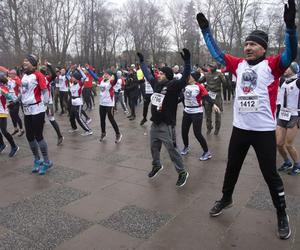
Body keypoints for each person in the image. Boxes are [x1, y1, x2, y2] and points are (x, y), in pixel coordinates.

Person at [196, 0, 297, 240]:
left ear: (263, 48)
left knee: (270, 174)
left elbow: (291, 53)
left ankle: (282, 213)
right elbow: (217, 53)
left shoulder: (273, 66)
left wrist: (290, 28)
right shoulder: (238, 65)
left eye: (253, 44)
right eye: (246, 43)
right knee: (232, 168)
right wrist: (206, 31)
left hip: (263, 132)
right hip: (240, 129)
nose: (248, 47)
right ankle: (227, 198)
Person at [137, 48, 191, 187]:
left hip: (167, 125)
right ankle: (156, 165)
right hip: (155, 123)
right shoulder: (156, 84)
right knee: (153, 148)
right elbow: (147, 74)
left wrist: (187, 61)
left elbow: (185, 78)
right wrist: (142, 62)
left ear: (167, 75)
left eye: (161, 73)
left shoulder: (173, 85)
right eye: (159, 72)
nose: (158, 74)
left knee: (172, 150)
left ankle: (182, 172)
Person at [21, 54, 53, 175]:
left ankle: (47, 161)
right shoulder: (24, 76)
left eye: (27, 61)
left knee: (38, 136)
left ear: (33, 64)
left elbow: (45, 91)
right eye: (24, 61)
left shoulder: (38, 75)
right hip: (26, 110)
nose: (24, 63)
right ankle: (37, 159)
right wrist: (17, 100)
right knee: (29, 136)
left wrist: (46, 105)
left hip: (37, 109)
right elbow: (24, 92)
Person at [180, 71, 220, 160]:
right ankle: (186, 147)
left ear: (194, 78)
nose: (188, 77)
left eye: (190, 75)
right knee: (184, 131)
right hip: (187, 111)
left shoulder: (199, 87)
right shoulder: (185, 86)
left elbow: (206, 97)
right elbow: (181, 97)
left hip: (197, 112)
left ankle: (207, 152)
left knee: (197, 133)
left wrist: (213, 104)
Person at [276, 62, 300, 176]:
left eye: (288, 68)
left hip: (294, 115)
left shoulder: (298, 82)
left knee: (288, 144)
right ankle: (287, 162)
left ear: (294, 70)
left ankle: (297, 165)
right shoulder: (283, 81)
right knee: (279, 144)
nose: (285, 69)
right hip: (282, 114)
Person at [87, 68, 122, 143]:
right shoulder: (101, 80)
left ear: (110, 76)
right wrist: (88, 69)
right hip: (102, 103)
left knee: (111, 119)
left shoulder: (111, 82)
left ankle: (118, 134)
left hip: (109, 104)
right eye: (104, 74)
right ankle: (103, 133)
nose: (105, 75)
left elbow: (115, 80)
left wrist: (114, 74)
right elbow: (95, 76)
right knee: (102, 119)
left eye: (107, 74)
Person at [68, 69, 93, 136]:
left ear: (76, 78)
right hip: (73, 103)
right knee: (71, 117)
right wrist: (69, 69)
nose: (71, 78)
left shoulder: (79, 83)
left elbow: (84, 77)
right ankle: (74, 128)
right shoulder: (72, 84)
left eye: (73, 77)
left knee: (78, 118)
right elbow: (67, 76)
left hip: (78, 103)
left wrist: (80, 70)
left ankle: (88, 130)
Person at [204, 63, 226, 135]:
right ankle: (209, 127)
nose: (210, 68)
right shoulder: (207, 74)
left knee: (217, 113)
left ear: (215, 67)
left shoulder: (219, 74)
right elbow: (199, 80)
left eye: (212, 67)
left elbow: (225, 82)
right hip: (209, 95)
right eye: (210, 66)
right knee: (208, 112)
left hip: (217, 95)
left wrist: (224, 78)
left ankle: (217, 129)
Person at [0, 75, 19, 157]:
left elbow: (9, 96)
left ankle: (14, 146)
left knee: (4, 131)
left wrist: (10, 101)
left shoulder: (1, 87)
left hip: (2, 112)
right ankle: (2, 145)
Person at [7, 69, 24, 136]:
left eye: (11, 74)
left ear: (14, 74)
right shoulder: (8, 80)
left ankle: (22, 129)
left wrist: (16, 100)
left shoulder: (17, 81)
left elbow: (21, 92)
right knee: (12, 115)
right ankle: (15, 129)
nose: (10, 75)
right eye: (9, 74)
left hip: (16, 101)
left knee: (16, 116)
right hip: (10, 101)